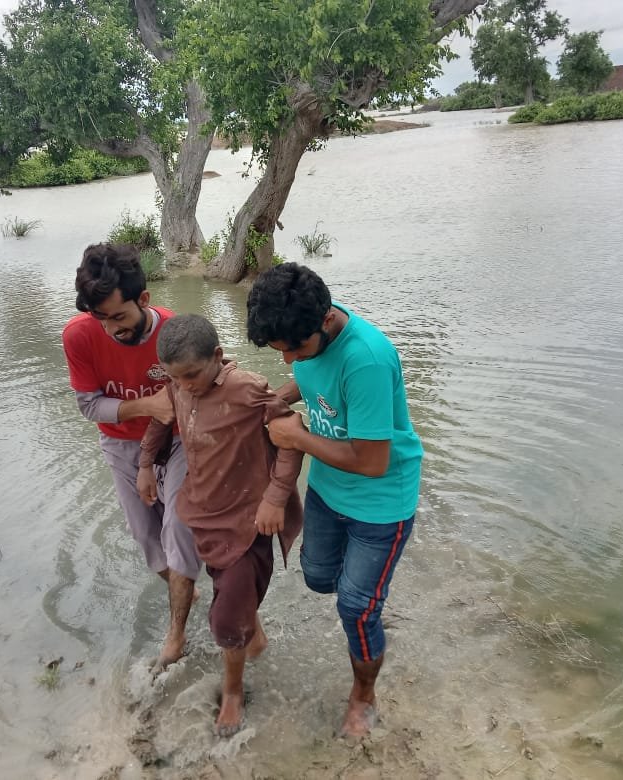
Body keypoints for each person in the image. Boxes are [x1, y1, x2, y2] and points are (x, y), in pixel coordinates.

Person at [245, 262, 423, 739]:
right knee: (319, 578)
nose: (287, 361)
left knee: (356, 608)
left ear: (325, 323)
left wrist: (297, 437)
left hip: (381, 503)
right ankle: (368, 602)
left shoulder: (367, 359)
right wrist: (280, 399)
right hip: (328, 490)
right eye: (279, 352)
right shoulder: (308, 328)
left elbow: (371, 462)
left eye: (292, 350)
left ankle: (363, 695)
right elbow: (311, 374)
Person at [136, 314, 303, 737]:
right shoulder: (179, 387)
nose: (185, 385)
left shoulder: (246, 389)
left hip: (249, 524)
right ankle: (254, 631)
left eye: (192, 375)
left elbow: (290, 432)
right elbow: (159, 420)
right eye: (177, 378)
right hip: (203, 515)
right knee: (228, 592)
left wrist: (275, 497)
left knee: (225, 621)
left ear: (216, 356)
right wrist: (143, 465)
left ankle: (232, 692)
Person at [62, 243, 202, 668]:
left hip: (176, 439)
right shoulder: (79, 334)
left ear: (144, 300)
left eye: (119, 317)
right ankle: (185, 587)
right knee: (146, 537)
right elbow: (89, 406)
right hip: (120, 441)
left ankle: (175, 634)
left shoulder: (173, 333)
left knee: (177, 531)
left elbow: (202, 388)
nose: (110, 330)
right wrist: (145, 406)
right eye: (100, 318)